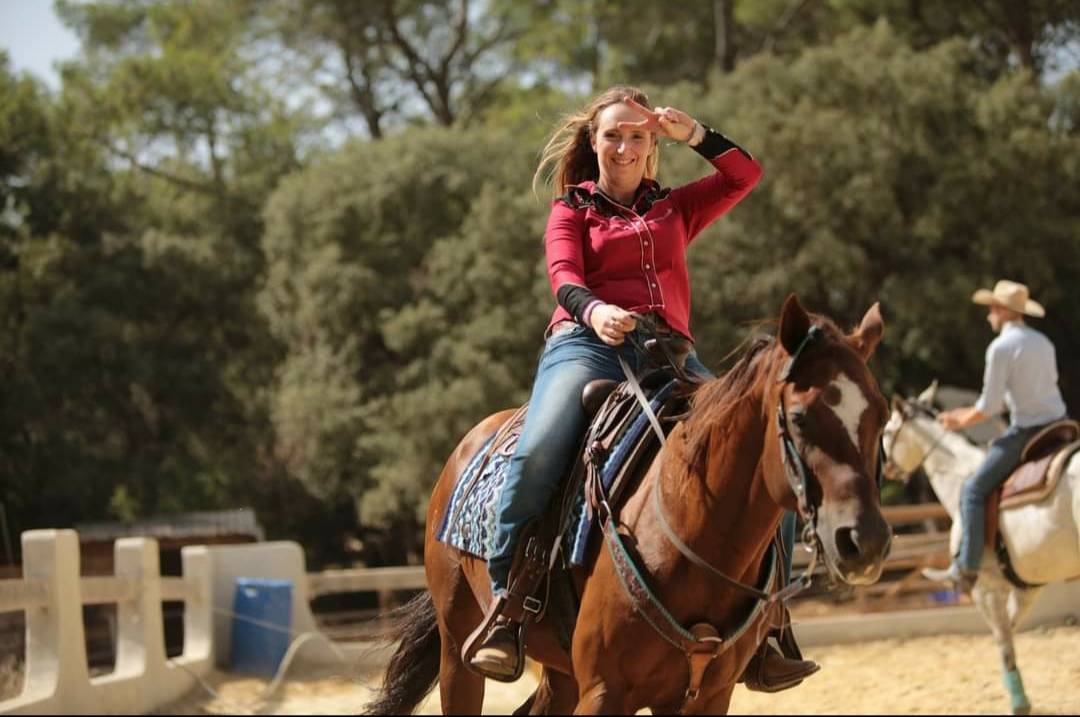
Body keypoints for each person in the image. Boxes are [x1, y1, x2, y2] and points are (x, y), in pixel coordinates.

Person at [468, 85, 818, 692]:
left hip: (671, 355)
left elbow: (746, 174)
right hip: (585, 345)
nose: (625, 146)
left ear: (652, 144)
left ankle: (771, 623)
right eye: (613, 135)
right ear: (594, 141)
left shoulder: (675, 209)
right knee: (538, 450)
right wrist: (594, 311)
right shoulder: (570, 208)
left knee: (768, 448)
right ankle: (508, 604)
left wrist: (695, 135)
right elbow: (563, 277)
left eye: (638, 135)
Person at [924, 280, 1068, 592]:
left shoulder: (1000, 348)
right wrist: (962, 413)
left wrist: (957, 422)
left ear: (1003, 311)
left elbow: (989, 407)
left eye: (991, 308)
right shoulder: (1043, 342)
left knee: (973, 490)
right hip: (1060, 425)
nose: (989, 314)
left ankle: (966, 568)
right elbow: (1012, 398)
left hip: (1029, 431)